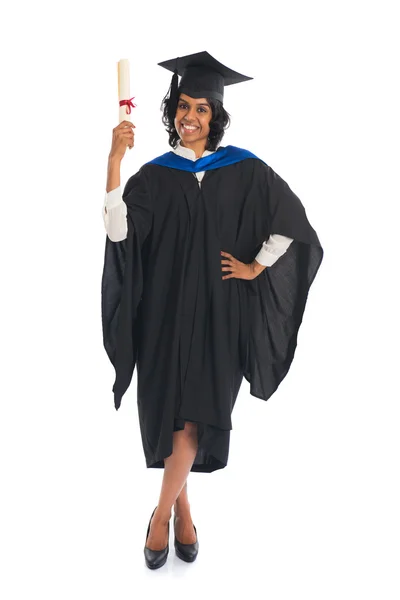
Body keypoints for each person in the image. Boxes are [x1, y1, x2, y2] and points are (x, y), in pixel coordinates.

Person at [101, 51, 324, 569]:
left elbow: (292, 222)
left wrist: (255, 267)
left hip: (221, 316)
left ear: (216, 116)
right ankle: (183, 516)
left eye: (203, 108)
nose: (191, 116)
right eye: (184, 105)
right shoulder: (154, 177)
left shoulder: (244, 169)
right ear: (172, 110)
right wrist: (114, 163)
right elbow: (119, 234)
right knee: (174, 419)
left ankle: (158, 518)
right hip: (163, 314)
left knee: (194, 423)